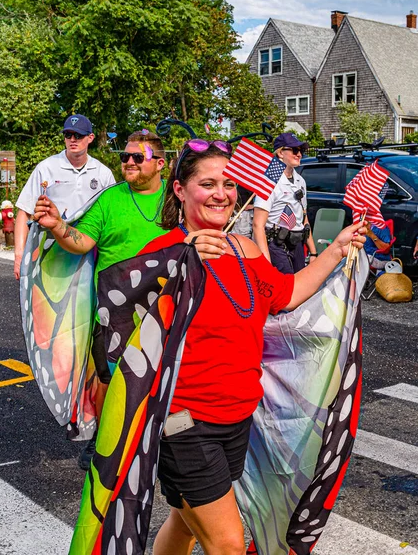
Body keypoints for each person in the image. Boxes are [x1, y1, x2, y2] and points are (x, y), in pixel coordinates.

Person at [134, 138, 366, 555]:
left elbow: (288, 292)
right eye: (207, 184)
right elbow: (125, 322)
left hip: (240, 417)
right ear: (179, 189)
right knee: (227, 542)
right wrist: (181, 258)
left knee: (185, 523)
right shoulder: (162, 253)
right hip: (185, 421)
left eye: (228, 184)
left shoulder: (245, 249)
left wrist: (336, 249)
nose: (221, 194)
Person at [32, 129, 168, 469]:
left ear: (161, 164)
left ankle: (163, 439)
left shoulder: (176, 197)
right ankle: (104, 438)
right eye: (124, 157)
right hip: (115, 313)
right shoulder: (109, 199)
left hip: (165, 305)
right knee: (111, 377)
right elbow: (82, 242)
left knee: (165, 375)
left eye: (138, 157)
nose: (129, 162)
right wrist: (57, 227)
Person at [14, 114, 115, 279]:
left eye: (78, 135)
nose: (72, 139)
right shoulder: (46, 168)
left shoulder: (103, 173)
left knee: (86, 303)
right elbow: (24, 211)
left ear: (90, 138)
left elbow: (111, 219)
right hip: (50, 253)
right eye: (68, 135)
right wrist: (19, 256)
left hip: (89, 254)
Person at [253, 132, 317, 273]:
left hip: (297, 242)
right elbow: (258, 225)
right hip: (276, 244)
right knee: (287, 287)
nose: (299, 154)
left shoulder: (301, 181)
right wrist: (266, 262)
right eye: (295, 150)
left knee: (301, 284)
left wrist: (313, 252)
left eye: (301, 151)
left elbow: (303, 217)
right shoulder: (269, 181)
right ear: (281, 153)